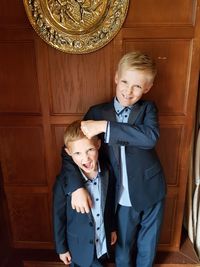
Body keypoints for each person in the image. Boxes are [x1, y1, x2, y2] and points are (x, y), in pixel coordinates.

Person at [61, 51, 166, 267]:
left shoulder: (148, 109)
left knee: (148, 244)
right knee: (123, 245)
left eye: (137, 86)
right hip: (119, 194)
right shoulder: (96, 112)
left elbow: (150, 137)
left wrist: (104, 127)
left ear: (146, 88)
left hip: (152, 187)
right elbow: (71, 151)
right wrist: (75, 187)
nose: (129, 90)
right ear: (116, 78)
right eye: (125, 81)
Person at [53, 120, 117, 267]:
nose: (85, 158)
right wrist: (61, 249)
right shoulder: (64, 182)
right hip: (78, 249)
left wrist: (112, 228)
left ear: (98, 145)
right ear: (69, 153)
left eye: (90, 150)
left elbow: (110, 204)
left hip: (102, 244)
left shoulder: (107, 172)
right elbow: (58, 217)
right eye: (77, 153)